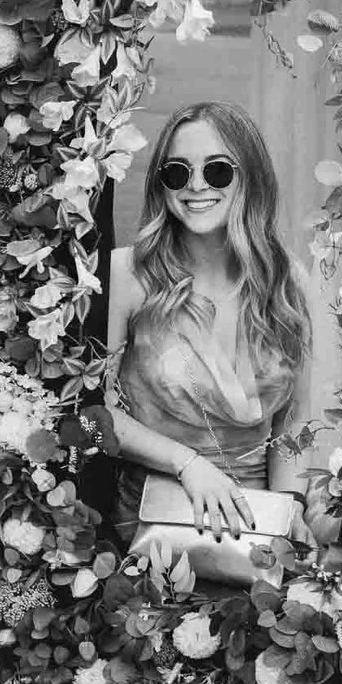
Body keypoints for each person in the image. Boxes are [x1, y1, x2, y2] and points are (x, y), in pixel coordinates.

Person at [105, 101, 315, 583]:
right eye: (177, 173)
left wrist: (287, 509)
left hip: (258, 530)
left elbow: (293, 420)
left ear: (251, 178)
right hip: (153, 525)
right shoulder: (127, 274)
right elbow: (95, 414)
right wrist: (187, 464)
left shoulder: (287, 280)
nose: (196, 186)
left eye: (218, 170)